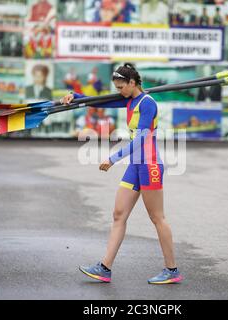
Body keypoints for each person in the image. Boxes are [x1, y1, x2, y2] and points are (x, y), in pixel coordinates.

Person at [61, 63, 183, 285]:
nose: (119, 91)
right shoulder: (128, 99)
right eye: (116, 87)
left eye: (121, 87)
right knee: (119, 214)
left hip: (150, 165)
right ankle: (104, 268)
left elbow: (141, 140)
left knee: (157, 218)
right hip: (135, 165)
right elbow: (99, 101)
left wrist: (113, 158)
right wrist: (75, 95)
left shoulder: (147, 104)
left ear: (132, 83)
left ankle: (172, 270)